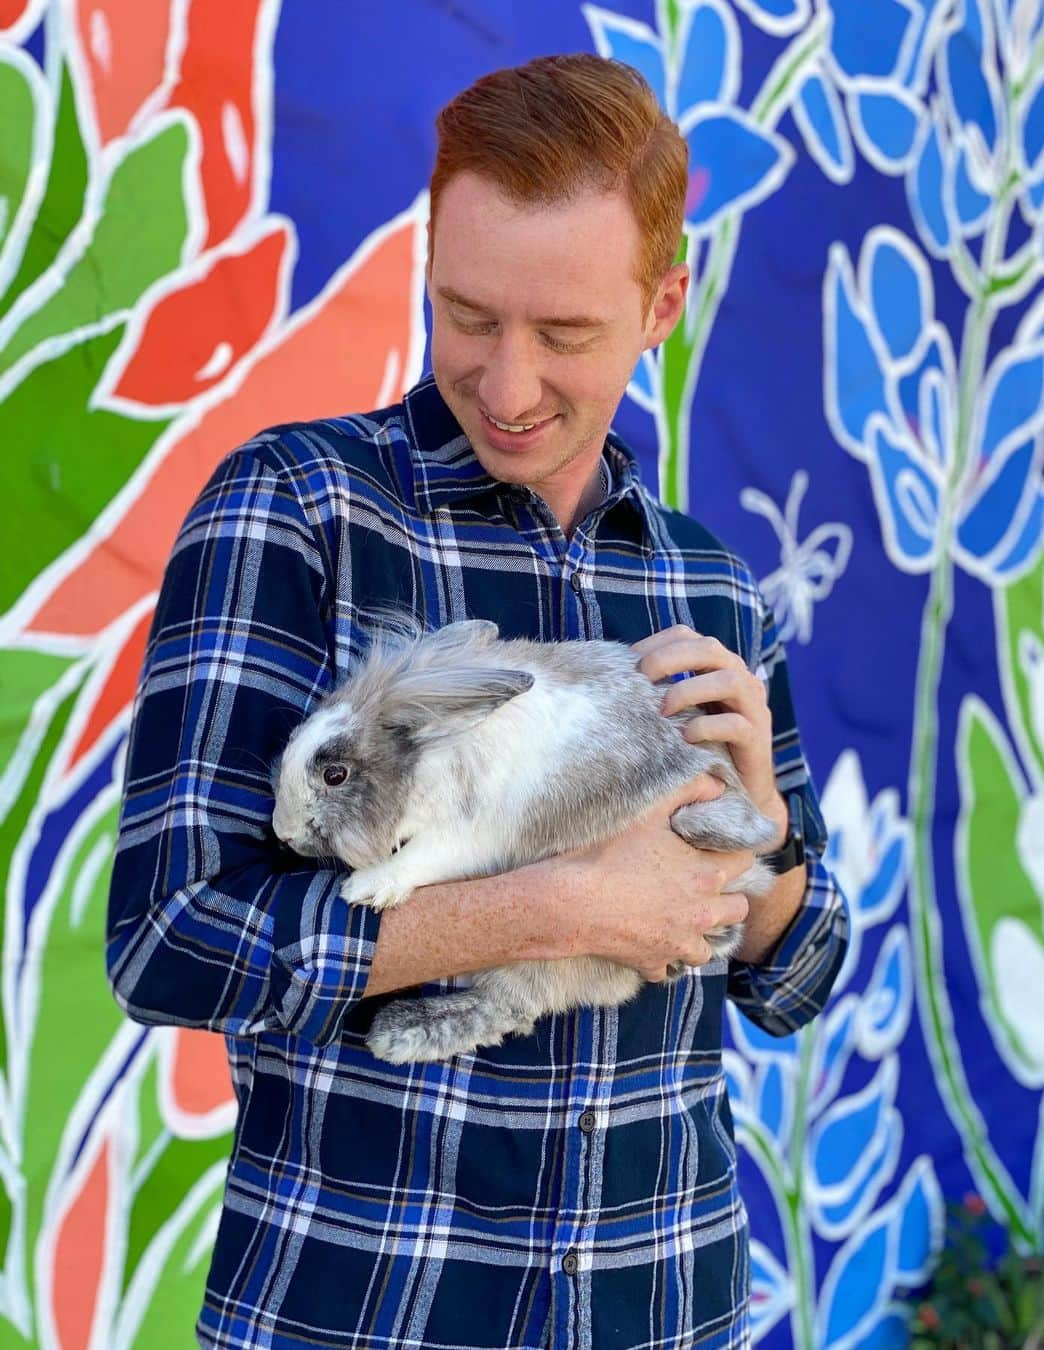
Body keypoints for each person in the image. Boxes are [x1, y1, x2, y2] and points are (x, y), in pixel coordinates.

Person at [106, 53, 848, 1350]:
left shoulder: (709, 585)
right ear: (429, 269)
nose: (508, 387)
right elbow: (171, 934)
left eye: (565, 334)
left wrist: (767, 837)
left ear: (663, 302)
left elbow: (794, 974)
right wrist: (557, 905)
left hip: (662, 1302)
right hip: (367, 1312)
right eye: (467, 316)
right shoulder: (299, 509)